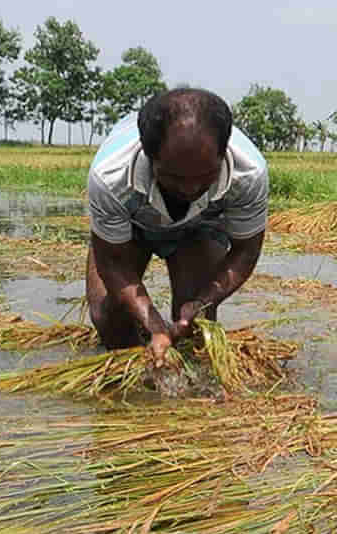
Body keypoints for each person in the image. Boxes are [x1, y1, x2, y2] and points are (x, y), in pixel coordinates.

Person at [85, 87, 267, 367]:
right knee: (111, 321)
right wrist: (152, 323)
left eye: (206, 175)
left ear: (223, 153)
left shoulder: (249, 173)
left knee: (194, 328)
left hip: (199, 227)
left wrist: (205, 301)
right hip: (133, 224)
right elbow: (112, 261)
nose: (191, 188)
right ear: (149, 156)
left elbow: (246, 250)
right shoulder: (110, 176)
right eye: (174, 177)